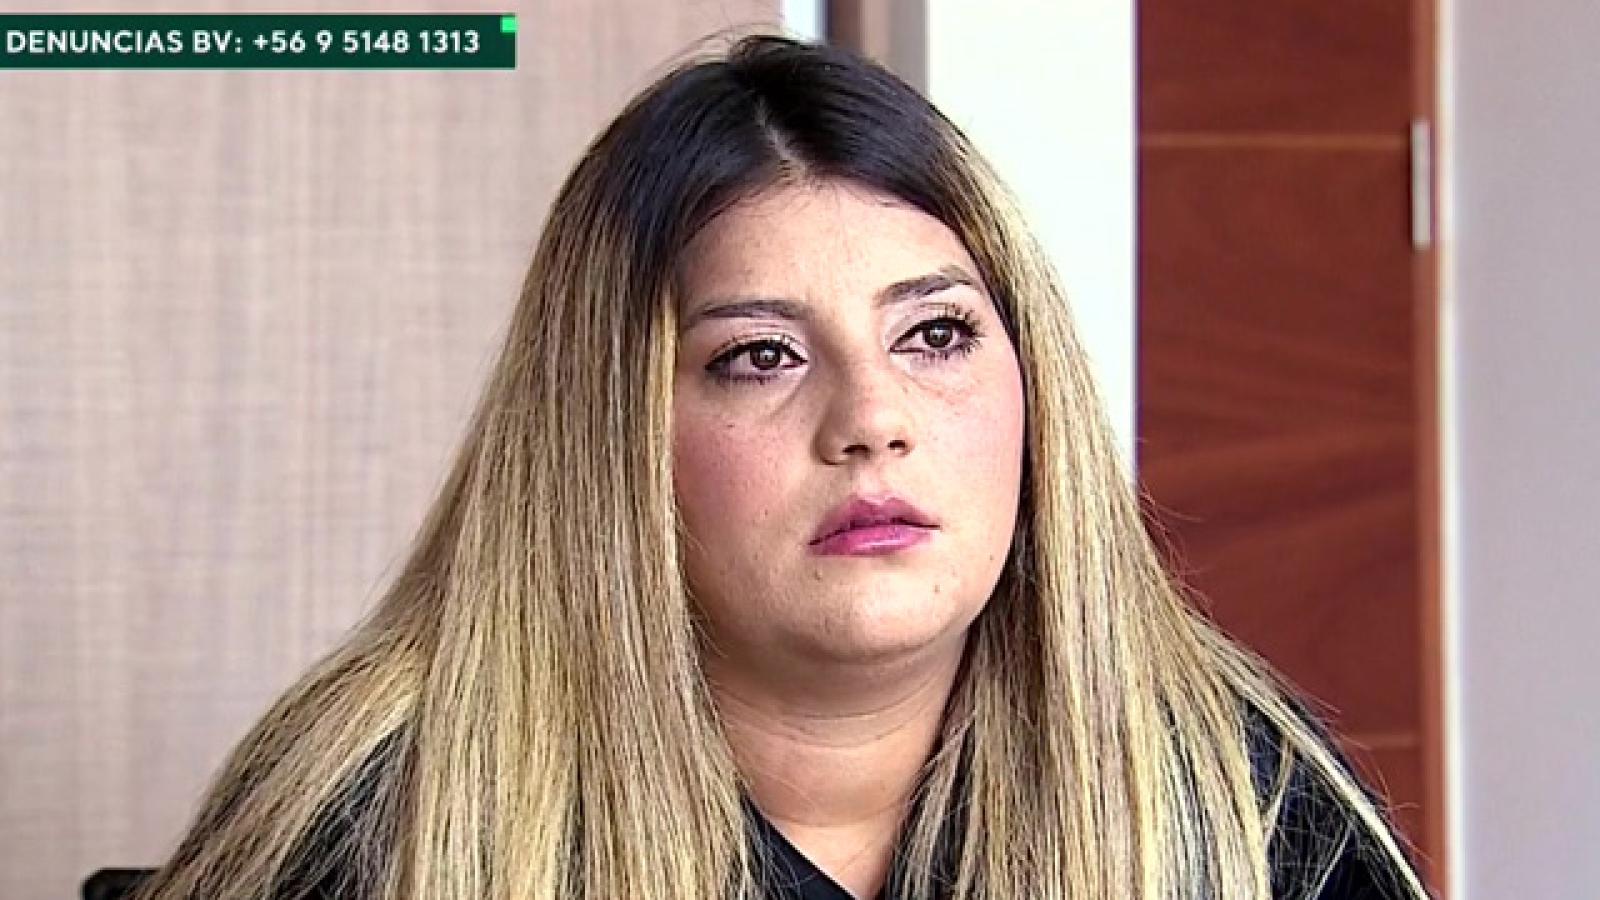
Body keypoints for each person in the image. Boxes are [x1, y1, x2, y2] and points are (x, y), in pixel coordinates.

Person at [127, 31, 1431, 900]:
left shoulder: (1237, 793)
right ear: (613, 438)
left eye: (936, 335)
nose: (873, 418)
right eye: (759, 357)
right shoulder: (386, 813)